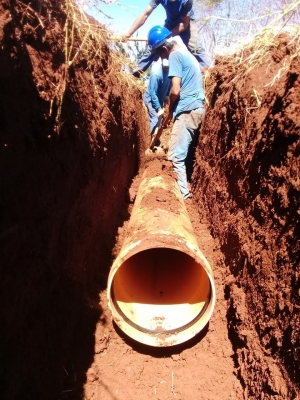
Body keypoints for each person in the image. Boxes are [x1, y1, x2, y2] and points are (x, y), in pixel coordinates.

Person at [148, 25, 205, 200]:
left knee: (175, 157)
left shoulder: (174, 55)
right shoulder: (187, 54)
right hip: (196, 108)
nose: (160, 57)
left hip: (186, 110)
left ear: (164, 48)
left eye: (159, 53)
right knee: (184, 154)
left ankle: (183, 197)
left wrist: (170, 109)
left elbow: (175, 90)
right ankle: (184, 190)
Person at [121, 0, 211, 77]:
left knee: (195, 48)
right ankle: (137, 72)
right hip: (170, 22)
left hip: (186, 23)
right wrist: (129, 33)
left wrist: (166, 35)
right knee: (154, 43)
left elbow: (184, 24)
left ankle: (209, 74)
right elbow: (145, 14)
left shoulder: (186, 2)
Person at [144, 58, 171, 144]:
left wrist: (167, 95)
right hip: (151, 99)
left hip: (160, 98)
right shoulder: (156, 73)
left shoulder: (171, 69)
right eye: (166, 67)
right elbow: (153, 94)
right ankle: (147, 144)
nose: (167, 69)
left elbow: (170, 82)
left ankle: (154, 141)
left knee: (159, 122)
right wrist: (159, 109)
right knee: (155, 119)